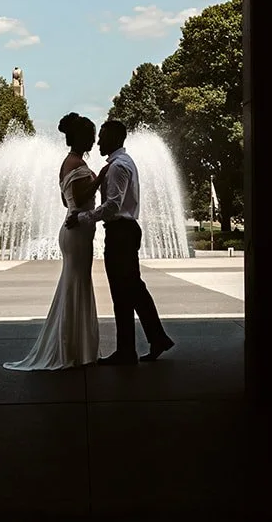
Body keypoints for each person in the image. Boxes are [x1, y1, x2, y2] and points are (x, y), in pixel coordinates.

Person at [68, 118, 176, 364]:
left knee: (123, 291)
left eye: (102, 136)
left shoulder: (117, 166)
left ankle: (132, 348)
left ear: (115, 138)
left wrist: (84, 217)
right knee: (133, 289)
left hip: (121, 233)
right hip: (124, 232)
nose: (98, 141)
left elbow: (112, 206)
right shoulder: (123, 162)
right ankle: (151, 340)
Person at [3, 113, 102, 370]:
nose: (94, 139)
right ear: (82, 137)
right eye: (91, 135)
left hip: (73, 228)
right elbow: (80, 200)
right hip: (77, 231)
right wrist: (100, 179)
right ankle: (73, 349)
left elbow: (66, 200)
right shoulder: (77, 164)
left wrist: (77, 206)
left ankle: (73, 346)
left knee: (74, 285)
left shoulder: (68, 163)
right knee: (76, 284)